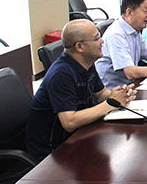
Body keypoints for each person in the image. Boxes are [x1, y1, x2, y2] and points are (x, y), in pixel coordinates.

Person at [26, 19, 136, 161]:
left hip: (78, 136)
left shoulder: (87, 63)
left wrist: (120, 95)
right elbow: (69, 122)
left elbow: (100, 93)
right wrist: (110, 103)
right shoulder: (61, 75)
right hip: (53, 151)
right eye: (96, 38)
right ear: (79, 46)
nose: (102, 41)